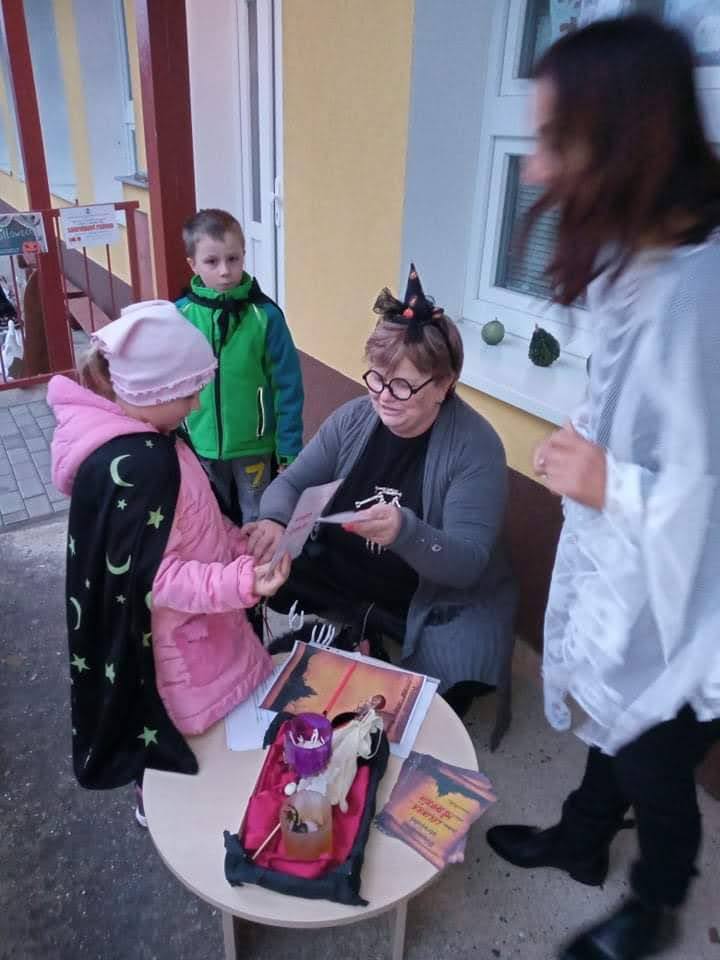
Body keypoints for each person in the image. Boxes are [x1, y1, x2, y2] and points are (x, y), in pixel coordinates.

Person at [484, 16, 720, 960]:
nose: (534, 171)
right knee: (616, 714)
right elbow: (641, 404)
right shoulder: (645, 255)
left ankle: (653, 910)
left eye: (555, 140)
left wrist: (610, 481)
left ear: (626, 139)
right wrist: (593, 442)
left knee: (657, 762)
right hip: (636, 571)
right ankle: (584, 838)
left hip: (692, 599)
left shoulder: (704, 296)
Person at [244, 265, 517, 743]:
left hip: (432, 595)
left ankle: (373, 641)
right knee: (264, 576)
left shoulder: (476, 448)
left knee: (427, 707)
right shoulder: (355, 416)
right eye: (377, 378)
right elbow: (293, 483)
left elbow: (468, 564)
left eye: (403, 385)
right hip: (350, 573)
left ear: (444, 384)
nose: (384, 397)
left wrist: (405, 532)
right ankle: (360, 634)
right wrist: (273, 519)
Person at [48, 300, 290, 826]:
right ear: (149, 393)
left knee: (215, 732)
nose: (198, 403)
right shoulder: (139, 465)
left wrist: (235, 542)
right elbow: (154, 579)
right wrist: (242, 580)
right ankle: (155, 802)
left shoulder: (153, 441)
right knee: (176, 740)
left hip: (203, 631)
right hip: (177, 651)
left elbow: (190, 523)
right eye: (187, 393)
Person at [177, 208, 304, 523]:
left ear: (244, 255)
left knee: (258, 516)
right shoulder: (178, 317)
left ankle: (258, 557)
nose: (225, 271)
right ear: (192, 264)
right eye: (212, 261)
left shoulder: (266, 316)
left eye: (233, 259)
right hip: (200, 442)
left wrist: (289, 448)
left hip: (254, 444)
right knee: (209, 516)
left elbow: (287, 386)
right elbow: (166, 382)